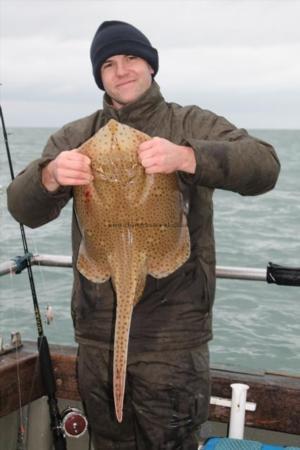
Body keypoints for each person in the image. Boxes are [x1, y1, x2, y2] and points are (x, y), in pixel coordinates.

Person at [7, 20, 280, 450]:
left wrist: (190, 156)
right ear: (99, 75)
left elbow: (265, 166)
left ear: (151, 65)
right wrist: (50, 175)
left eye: (131, 58)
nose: (122, 70)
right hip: (98, 335)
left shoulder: (188, 122)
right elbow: (21, 208)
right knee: (109, 441)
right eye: (109, 63)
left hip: (172, 339)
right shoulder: (76, 137)